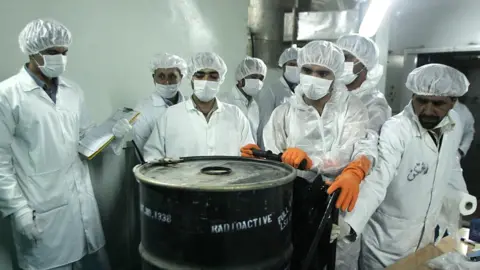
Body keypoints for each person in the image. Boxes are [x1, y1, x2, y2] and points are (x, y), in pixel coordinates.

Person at [0, 19, 133, 270]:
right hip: (40, 210)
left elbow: (85, 139)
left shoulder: (73, 91)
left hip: (80, 204)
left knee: (94, 262)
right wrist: (18, 211)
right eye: (52, 52)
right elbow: (0, 160)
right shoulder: (7, 95)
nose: (60, 58)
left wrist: (113, 132)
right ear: (32, 51)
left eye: (64, 52)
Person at [242, 40, 374, 269]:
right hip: (297, 207)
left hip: (340, 203)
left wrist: (315, 163)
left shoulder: (351, 108)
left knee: (339, 260)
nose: (314, 77)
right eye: (308, 70)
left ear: (336, 75)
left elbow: (351, 149)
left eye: (323, 73)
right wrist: (262, 160)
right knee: (299, 259)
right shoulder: (284, 113)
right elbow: (277, 166)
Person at [344, 64, 471, 269]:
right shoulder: (397, 129)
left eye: (438, 103)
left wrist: (461, 197)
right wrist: (350, 224)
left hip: (426, 236)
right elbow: (378, 178)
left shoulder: (454, 124)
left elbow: (452, 164)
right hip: (387, 242)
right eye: (421, 101)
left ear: (453, 102)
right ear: (413, 96)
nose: (427, 110)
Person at [334, 33, 392, 270]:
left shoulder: (374, 104)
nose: (341, 63)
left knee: (341, 254)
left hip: (351, 192)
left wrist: (354, 171)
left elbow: (367, 146)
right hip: (321, 188)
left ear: (364, 65)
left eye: (347, 57)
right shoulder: (334, 96)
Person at [143, 52, 254, 160]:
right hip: (182, 178)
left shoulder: (235, 115)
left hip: (228, 178)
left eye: (213, 76)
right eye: (200, 75)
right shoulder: (170, 115)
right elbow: (152, 155)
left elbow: (249, 154)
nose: (206, 81)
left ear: (220, 80)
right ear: (191, 78)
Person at [337, 34, 392, 133]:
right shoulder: (335, 94)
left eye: (345, 57)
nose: (339, 62)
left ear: (364, 62)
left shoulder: (374, 105)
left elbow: (368, 143)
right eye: (337, 57)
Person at [133, 53, 188, 152]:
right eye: (161, 76)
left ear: (181, 78)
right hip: (157, 166)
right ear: (154, 78)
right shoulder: (142, 109)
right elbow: (143, 151)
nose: (167, 82)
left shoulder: (192, 105)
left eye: (172, 76)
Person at [256, 47, 299, 148]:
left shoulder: (302, 91)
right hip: (275, 146)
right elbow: (265, 125)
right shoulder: (271, 90)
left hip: (296, 146)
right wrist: (266, 152)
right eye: (292, 64)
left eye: (299, 65)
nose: (296, 68)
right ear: (283, 67)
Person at [218, 56, 267, 142]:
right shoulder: (224, 101)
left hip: (250, 154)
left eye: (261, 78)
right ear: (240, 79)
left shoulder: (254, 105)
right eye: (254, 77)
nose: (258, 82)